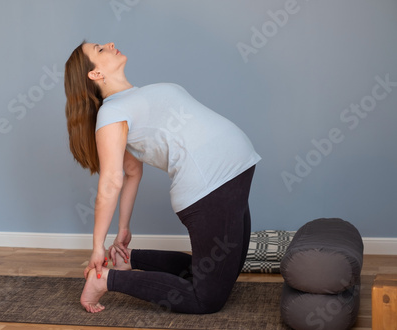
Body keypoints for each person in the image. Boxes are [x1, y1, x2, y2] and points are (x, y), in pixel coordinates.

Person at [64, 41, 261, 314]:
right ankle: (104, 279)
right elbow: (111, 182)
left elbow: (133, 172)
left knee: (226, 270)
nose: (109, 44)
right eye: (99, 49)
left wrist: (123, 230)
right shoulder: (111, 113)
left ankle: (127, 260)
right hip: (209, 188)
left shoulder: (134, 97)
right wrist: (98, 247)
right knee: (207, 299)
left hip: (232, 177)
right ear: (95, 74)